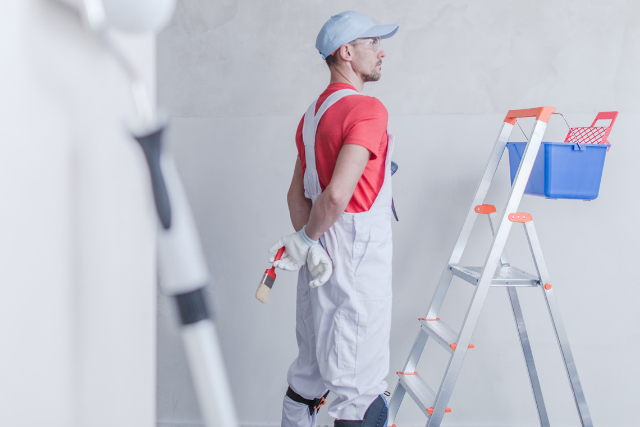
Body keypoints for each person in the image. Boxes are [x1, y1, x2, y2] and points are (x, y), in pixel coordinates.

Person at [268, 11, 399, 427]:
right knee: (361, 394)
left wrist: (308, 244)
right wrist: (309, 241)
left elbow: (297, 193)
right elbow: (338, 194)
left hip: (319, 259)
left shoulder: (311, 116)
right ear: (346, 52)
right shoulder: (368, 109)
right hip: (356, 257)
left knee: (309, 376)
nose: (381, 52)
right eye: (372, 43)